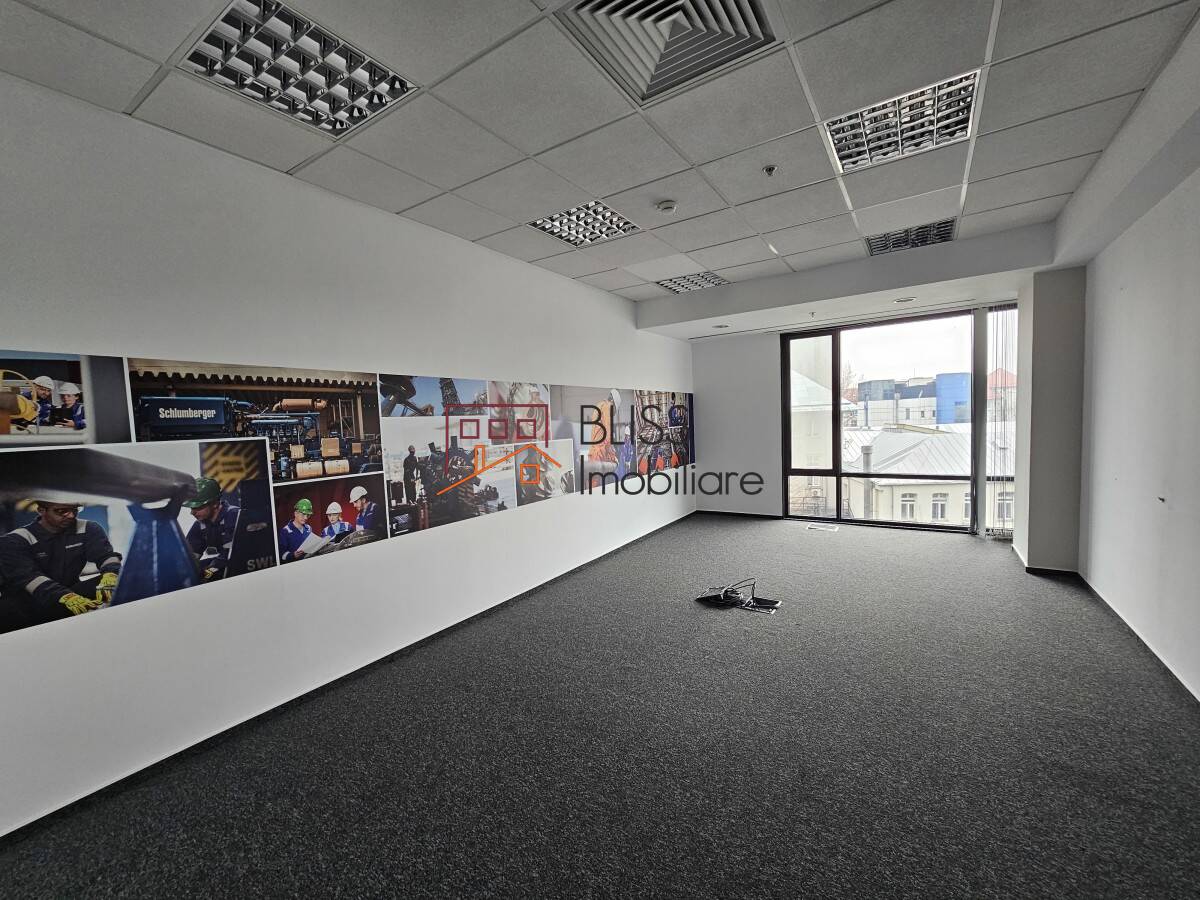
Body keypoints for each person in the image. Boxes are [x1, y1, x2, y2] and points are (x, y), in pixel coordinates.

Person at [0, 500, 122, 633]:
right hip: (26, 605)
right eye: (62, 511)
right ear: (41, 511)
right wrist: (66, 597)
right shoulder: (14, 541)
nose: (71, 515)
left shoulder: (88, 528)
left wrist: (111, 574)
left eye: (75, 510)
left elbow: (106, 556)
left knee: (121, 582)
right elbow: (30, 578)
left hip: (69, 590)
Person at [182, 477, 239, 580]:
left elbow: (230, 555)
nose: (192, 512)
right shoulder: (200, 524)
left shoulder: (234, 516)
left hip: (241, 564)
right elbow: (189, 558)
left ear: (215, 504)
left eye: (198, 507)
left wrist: (206, 574)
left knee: (207, 575)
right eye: (191, 508)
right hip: (223, 561)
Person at [279, 498, 313, 563]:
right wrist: (293, 555)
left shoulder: (309, 528)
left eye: (308, 515)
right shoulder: (285, 531)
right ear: (295, 513)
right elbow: (281, 555)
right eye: (303, 514)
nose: (306, 518)